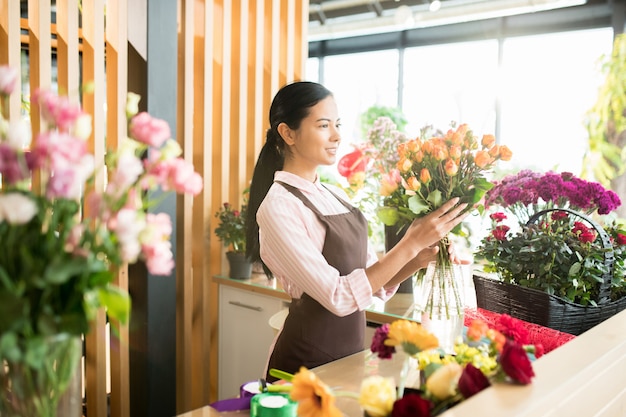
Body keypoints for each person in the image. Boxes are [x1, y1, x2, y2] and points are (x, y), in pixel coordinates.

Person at [245, 81, 468, 382]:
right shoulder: (278, 206)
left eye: (337, 124)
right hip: (301, 369)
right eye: (324, 125)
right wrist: (409, 243)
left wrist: (418, 258)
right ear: (288, 133)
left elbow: (371, 281)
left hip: (347, 359)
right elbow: (339, 296)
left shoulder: (336, 194)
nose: (337, 135)